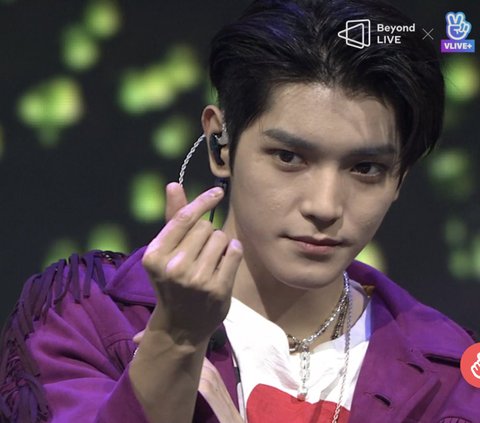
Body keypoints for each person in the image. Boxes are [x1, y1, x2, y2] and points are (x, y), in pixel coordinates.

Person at [1, 0, 479, 422]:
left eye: (366, 168)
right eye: (289, 157)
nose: (325, 206)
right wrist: (174, 340)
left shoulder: (452, 377)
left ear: (401, 177)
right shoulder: (89, 317)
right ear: (220, 144)